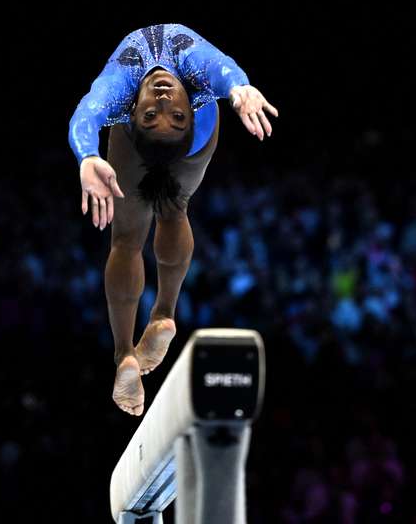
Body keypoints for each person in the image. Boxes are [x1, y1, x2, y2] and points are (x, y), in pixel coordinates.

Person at [67, 23, 279, 416]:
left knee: (126, 240)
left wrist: (89, 155)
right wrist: (237, 88)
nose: (163, 100)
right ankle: (162, 314)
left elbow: (87, 113)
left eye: (155, 114)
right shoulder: (195, 75)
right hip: (196, 136)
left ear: (131, 112)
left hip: (171, 142)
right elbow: (222, 67)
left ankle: (124, 355)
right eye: (169, 113)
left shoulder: (123, 85)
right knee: (173, 209)